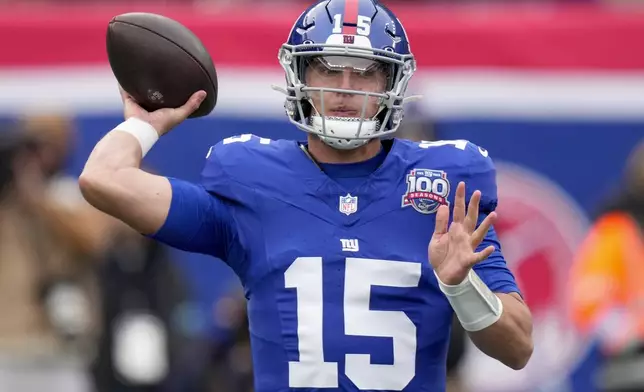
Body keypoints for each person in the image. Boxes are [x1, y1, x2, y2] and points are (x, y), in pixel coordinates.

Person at [79, 1, 534, 390]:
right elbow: (103, 178)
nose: (344, 88)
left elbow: (517, 348)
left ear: (392, 85)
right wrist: (147, 121)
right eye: (328, 68)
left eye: (365, 73)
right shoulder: (253, 185)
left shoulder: (441, 190)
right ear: (300, 75)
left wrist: (461, 285)